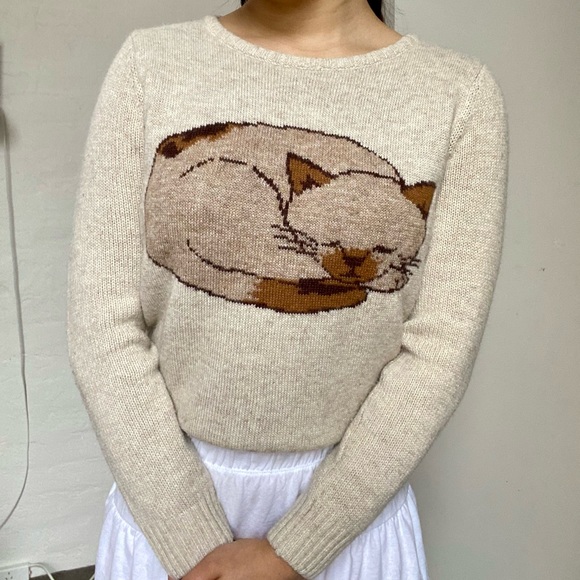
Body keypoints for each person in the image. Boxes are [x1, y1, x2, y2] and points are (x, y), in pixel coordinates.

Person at [66, 0, 509, 579]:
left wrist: (301, 545)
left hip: (351, 512)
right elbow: (101, 326)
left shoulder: (458, 93)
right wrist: (189, 537)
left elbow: (441, 349)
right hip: (166, 498)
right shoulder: (151, 62)